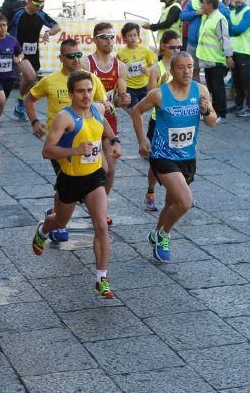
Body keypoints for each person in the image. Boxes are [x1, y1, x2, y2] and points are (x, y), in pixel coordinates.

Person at [32, 71, 121, 298]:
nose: (86, 95)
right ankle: (43, 229)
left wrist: (114, 141)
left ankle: (101, 277)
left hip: (93, 178)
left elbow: (104, 127)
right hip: (70, 180)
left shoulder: (97, 109)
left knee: (101, 225)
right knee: (60, 221)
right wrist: (75, 151)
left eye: (89, 90)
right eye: (80, 91)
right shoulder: (65, 117)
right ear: (71, 93)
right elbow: (47, 151)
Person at [132, 51, 218, 261]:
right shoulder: (160, 94)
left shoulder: (201, 90)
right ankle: (164, 235)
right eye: (181, 67)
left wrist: (207, 112)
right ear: (172, 71)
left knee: (172, 204)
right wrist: (142, 140)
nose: (187, 71)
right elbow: (136, 111)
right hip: (163, 155)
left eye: (190, 66)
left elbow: (213, 121)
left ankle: (156, 233)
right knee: (185, 201)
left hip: (187, 157)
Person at [26, 40, 111, 243]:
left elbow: (103, 105)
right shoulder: (50, 80)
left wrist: (112, 111)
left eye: (78, 55)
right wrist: (35, 121)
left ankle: (81, 209)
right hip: (61, 143)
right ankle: (58, 217)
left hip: (87, 140)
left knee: (105, 170)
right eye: (70, 56)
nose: (75, 60)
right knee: (66, 179)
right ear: (61, 58)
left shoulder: (90, 80)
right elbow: (29, 99)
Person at [86, 22, 129, 198]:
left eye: (112, 37)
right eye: (104, 37)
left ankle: (102, 206)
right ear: (95, 40)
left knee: (110, 169)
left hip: (109, 120)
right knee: (95, 168)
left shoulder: (120, 67)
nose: (109, 41)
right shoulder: (86, 63)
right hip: (89, 120)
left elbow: (118, 101)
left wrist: (124, 99)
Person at [142, 30, 182, 210]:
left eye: (179, 47)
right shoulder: (156, 69)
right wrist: (163, 85)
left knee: (179, 159)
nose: (176, 50)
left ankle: (179, 194)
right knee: (157, 162)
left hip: (179, 120)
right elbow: (150, 98)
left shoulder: (182, 66)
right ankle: (150, 191)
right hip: (159, 122)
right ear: (164, 47)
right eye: (173, 47)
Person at [9, 0, 60, 121]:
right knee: (32, 77)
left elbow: (57, 26)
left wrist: (49, 32)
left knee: (31, 80)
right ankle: (21, 102)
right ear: (29, 1)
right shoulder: (18, 13)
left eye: (41, 5)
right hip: (19, 51)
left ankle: (20, 104)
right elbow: (3, 25)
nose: (39, 7)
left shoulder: (41, 15)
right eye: (36, 4)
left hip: (33, 52)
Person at [196, 0, 235, 119]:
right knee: (212, 88)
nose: (202, 5)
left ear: (210, 5)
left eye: (204, 3)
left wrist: (228, 56)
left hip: (217, 60)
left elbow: (225, 38)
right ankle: (213, 112)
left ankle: (221, 114)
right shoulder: (206, 17)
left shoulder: (219, 18)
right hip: (207, 60)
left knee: (218, 89)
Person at [227, 0, 250, 117]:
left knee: (247, 80)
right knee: (236, 79)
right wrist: (232, 29)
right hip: (234, 51)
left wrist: (231, 28)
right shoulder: (232, 12)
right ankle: (239, 104)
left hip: (244, 51)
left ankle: (249, 107)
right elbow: (230, 30)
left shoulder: (249, 12)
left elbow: (238, 29)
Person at [117, 22, 158, 108]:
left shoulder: (146, 51)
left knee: (143, 109)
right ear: (124, 38)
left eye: (135, 35)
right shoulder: (120, 54)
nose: (133, 38)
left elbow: (154, 66)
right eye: (130, 36)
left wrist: (147, 70)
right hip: (129, 87)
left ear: (138, 36)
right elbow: (119, 70)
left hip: (144, 85)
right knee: (135, 108)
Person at [180, 0, 211, 67]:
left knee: (208, 71)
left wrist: (211, 10)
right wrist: (196, 13)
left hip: (207, 44)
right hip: (192, 44)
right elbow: (182, 16)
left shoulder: (215, 2)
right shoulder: (192, 2)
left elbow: (226, 13)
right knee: (192, 69)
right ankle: (195, 81)